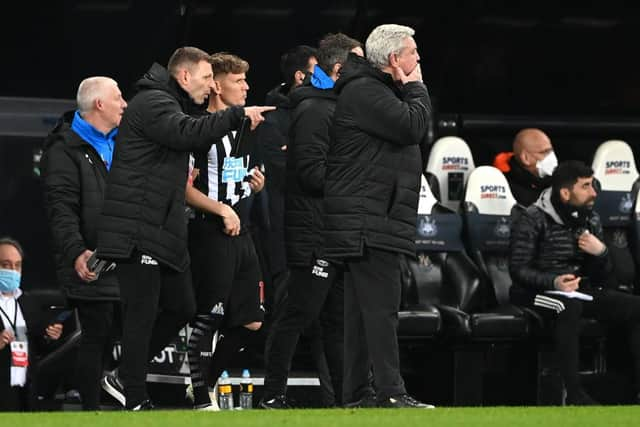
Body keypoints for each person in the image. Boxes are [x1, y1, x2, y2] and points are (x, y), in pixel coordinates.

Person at [96, 46, 274, 410]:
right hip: (139, 226)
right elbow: (186, 133)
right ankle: (134, 397)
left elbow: (180, 143)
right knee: (142, 314)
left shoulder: (171, 104)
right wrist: (237, 115)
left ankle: (121, 376)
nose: (210, 86)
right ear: (184, 76)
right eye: (207, 77)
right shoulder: (153, 101)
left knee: (183, 306)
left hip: (165, 228)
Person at [322, 24, 433, 408]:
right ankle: (391, 393)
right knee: (383, 310)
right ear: (393, 59)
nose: (418, 59)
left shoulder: (376, 91)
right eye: (413, 52)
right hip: (370, 219)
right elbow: (413, 126)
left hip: (369, 217)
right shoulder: (366, 91)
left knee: (359, 313)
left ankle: (357, 396)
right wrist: (417, 87)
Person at [260, 33, 363, 410]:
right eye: (358, 62)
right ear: (338, 69)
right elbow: (309, 173)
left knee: (335, 321)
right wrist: (355, 174)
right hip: (313, 232)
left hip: (332, 230)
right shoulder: (315, 110)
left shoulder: (332, 108)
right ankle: (272, 395)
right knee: (296, 315)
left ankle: (344, 400)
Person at [509, 160, 640, 405]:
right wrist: (554, 282)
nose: (594, 193)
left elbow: (604, 279)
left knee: (635, 307)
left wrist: (601, 253)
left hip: (578, 291)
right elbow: (517, 270)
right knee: (567, 307)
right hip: (532, 293)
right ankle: (574, 394)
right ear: (565, 193)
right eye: (586, 187)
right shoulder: (532, 218)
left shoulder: (591, 219)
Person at [184, 52, 267, 411]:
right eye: (239, 81)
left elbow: (233, 179)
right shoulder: (197, 128)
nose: (246, 87)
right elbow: (183, 187)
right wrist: (220, 209)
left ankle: (208, 381)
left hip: (242, 231)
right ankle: (201, 399)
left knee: (251, 321)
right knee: (209, 317)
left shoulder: (246, 129)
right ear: (217, 85)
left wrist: (253, 187)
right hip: (209, 231)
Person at [40, 76, 126, 410]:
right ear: (99, 105)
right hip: (89, 258)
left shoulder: (124, 142)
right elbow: (61, 208)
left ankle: (55, 378)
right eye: (118, 98)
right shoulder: (64, 149)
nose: (125, 104)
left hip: (125, 256)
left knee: (118, 332)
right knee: (98, 332)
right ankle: (89, 411)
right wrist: (77, 252)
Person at [256, 44, 318, 313]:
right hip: (283, 225)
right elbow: (287, 173)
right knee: (283, 299)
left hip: (315, 223)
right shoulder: (270, 120)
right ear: (300, 77)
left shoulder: (323, 112)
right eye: (319, 73)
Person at [0, 237, 63, 412]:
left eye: (17, 265)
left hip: (26, 391)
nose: (13, 271)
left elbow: (39, 344)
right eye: (5, 265)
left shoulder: (27, 302)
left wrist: (49, 335)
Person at [493, 128, 557, 206]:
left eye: (551, 151)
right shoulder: (504, 190)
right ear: (525, 158)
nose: (551, 157)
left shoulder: (556, 183)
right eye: (544, 152)